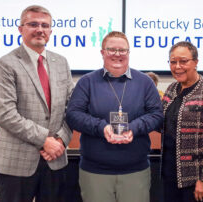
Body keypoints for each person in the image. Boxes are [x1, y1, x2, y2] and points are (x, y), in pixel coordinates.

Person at [65, 31, 163, 202]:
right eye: (111, 49)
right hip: (94, 171)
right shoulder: (86, 82)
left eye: (122, 50)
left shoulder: (145, 82)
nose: (117, 54)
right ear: (102, 52)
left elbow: (156, 115)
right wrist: (102, 127)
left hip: (136, 171)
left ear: (129, 53)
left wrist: (133, 128)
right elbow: (73, 115)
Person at [0, 5, 74, 202]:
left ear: (51, 31)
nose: (40, 29)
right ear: (20, 29)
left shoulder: (61, 62)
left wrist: (61, 140)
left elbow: (72, 108)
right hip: (17, 160)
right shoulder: (6, 64)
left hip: (55, 158)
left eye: (45, 25)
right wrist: (46, 140)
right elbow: (5, 115)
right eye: (33, 24)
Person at [161, 41, 203, 202]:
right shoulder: (171, 89)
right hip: (169, 172)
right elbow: (162, 123)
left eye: (183, 61)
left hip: (195, 178)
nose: (177, 66)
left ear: (195, 62)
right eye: (173, 61)